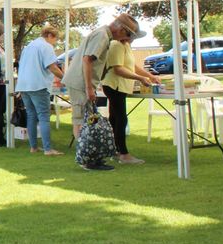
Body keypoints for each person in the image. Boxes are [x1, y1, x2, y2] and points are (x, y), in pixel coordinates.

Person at [63, 13, 143, 171]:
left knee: (88, 121)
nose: (126, 40)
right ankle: (87, 160)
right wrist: (89, 87)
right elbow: (87, 59)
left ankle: (92, 157)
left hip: (82, 83)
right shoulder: (102, 35)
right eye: (127, 35)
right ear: (120, 29)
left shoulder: (103, 34)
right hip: (80, 84)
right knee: (81, 122)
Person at [102, 37, 159, 165]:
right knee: (121, 119)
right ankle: (123, 154)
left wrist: (150, 76)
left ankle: (115, 151)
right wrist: (140, 78)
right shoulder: (116, 44)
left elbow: (132, 66)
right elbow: (118, 69)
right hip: (114, 85)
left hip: (120, 86)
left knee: (115, 119)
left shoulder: (126, 45)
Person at [15, 25, 64, 155]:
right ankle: (48, 149)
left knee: (31, 115)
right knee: (43, 117)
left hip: (24, 85)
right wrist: (66, 78)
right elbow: (52, 67)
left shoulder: (29, 46)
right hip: (38, 84)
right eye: (55, 39)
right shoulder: (46, 46)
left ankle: (33, 147)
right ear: (50, 36)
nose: (55, 42)